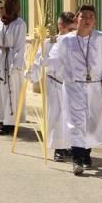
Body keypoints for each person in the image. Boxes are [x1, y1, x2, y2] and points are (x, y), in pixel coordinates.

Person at [44, 4, 102, 176]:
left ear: (95, 21)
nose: (86, 20)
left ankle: (86, 154)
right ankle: (77, 159)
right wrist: (45, 60)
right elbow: (55, 58)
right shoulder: (66, 40)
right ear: (76, 19)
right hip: (73, 86)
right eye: (83, 16)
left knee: (92, 122)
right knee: (76, 121)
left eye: (90, 17)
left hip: (94, 86)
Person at [27, 11, 76, 162]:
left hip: (71, 85)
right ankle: (58, 148)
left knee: (71, 117)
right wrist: (32, 74)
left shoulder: (77, 42)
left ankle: (71, 146)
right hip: (54, 83)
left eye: (74, 30)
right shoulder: (50, 43)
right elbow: (37, 61)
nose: (73, 33)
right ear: (61, 26)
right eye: (70, 29)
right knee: (55, 116)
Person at [0, 0, 27, 135]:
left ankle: (10, 122)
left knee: (10, 91)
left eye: (3, 6)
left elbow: (20, 47)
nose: (0, 9)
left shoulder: (19, 24)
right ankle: (2, 118)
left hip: (11, 58)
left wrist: (15, 66)